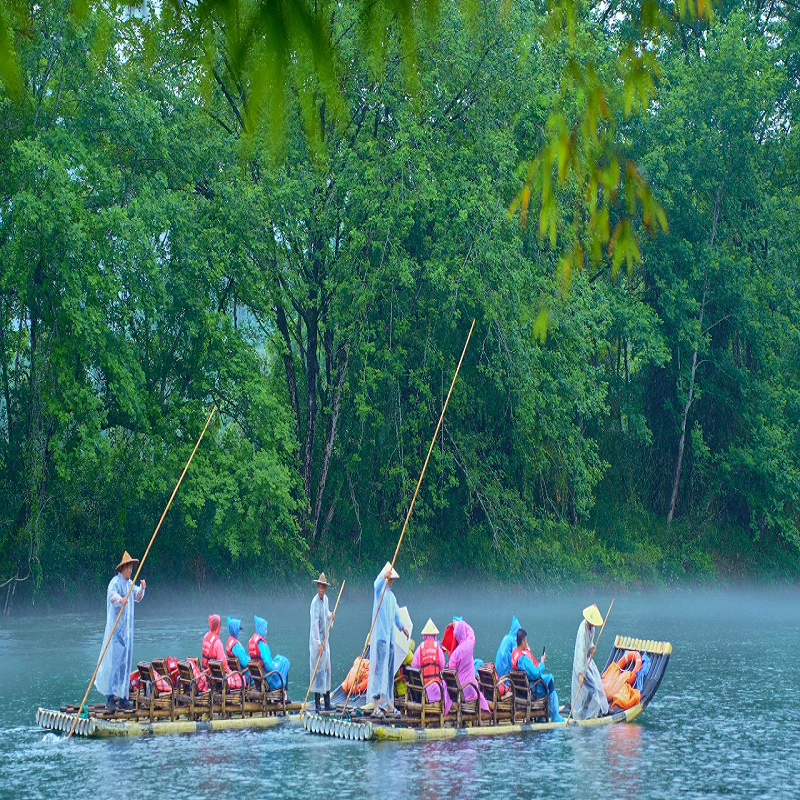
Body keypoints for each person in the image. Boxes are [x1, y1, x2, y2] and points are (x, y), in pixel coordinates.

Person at [94, 550, 146, 712]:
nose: (131, 571)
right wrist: (120, 600)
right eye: (129, 568)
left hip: (128, 634)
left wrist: (142, 588)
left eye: (131, 568)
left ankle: (123, 698)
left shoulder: (130, 584)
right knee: (116, 664)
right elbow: (112, 596)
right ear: (123, 569)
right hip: (117, 633)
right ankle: (110, 698)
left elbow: (137, 596)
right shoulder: (115, 582)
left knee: (125, 665)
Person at [366, 562, 409, 717]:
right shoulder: (380, 592)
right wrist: (383, 575)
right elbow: (375, 584)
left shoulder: (391, 597)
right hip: (381, 638)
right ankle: (377, 704)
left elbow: (397, 615)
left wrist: (402, 627)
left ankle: (389, 703)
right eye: (389, 579)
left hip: (390, 639)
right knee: (380, 671)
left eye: (391, 579)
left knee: (390, 672)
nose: (391, 582)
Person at [511, 628, 565, 722]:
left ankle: (541, 716)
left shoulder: (515, 653)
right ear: (523, 641)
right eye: (526, 640)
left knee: (547, 678)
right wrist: (542, 662)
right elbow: (535, 674)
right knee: (549, 681)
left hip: (522, 688)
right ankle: (555, 716)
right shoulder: (523, 660)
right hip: (532, 689)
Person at [571, 603, 609, 720]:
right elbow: (581, 652)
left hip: (588, 661)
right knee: (592, 688)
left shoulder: (591, 628)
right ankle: (587, 711)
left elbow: (589, 644)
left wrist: (592, 648)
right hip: (581, 664)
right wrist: (581, 673)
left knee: (596, 685)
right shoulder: (583, 629)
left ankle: (597, 709)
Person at [447, 619, 490, 713]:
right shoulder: (468, 645)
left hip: (456, 690)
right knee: (476, 685)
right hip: (468, 689)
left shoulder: (455, 654)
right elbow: (471, 631)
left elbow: (451, 669)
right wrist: (461, 623)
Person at [411, 618, 451, 714]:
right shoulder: (437, 647)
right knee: (445, 685)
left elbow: (414, 665)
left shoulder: (420, 647)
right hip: (435, 686)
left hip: (423, 686)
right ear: (434, 636)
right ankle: (444, 710)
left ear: (424, 636)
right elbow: (442, 665)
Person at [309, 572, 336, 712]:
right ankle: (317, 705)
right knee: (317, 671)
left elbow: (326, 614)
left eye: (322, 588)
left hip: (326, 642)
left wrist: (331, 616)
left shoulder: (325, 600)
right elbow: (315, 624)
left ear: (325, 589)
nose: (320, 589)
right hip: (317, 643)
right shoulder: (314, 603)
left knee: (326, 670)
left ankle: (327, 702)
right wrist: (318, 643)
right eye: (319, 587)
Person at [249, 616, 290, 692]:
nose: (266, 632)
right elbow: (268, 665)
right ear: (262, 629)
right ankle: (284, 694)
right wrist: (275, 666)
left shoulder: (253, 643)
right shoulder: (262, 645)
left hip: (259, 678)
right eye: (265, 629)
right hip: (268, 680)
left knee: (278, 658)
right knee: (285, 662)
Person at [202, 614, 244, 688]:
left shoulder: (206, 636)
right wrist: (230, 673)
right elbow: (223, 663)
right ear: (218, 626)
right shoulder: (217, 643)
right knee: (241, 679)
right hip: (215, 679)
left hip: (205, 673)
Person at [494, 615, 521, 680]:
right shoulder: (514, 641)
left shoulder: (505, 638)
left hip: (498, 673)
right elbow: (517, 658)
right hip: (506, 677)